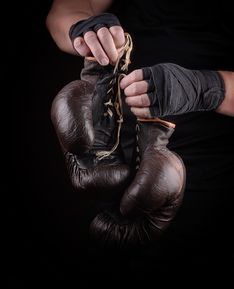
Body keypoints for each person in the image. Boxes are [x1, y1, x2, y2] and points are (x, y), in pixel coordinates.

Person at [46, 0, 234, 272]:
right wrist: (83, 30)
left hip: (210, 165)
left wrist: (208, 88)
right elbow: (64, 9)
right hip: (118, 140)